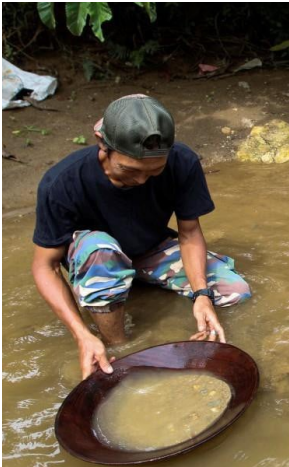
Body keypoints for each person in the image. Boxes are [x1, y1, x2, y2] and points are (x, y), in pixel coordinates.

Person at [31, 94, 251, 380]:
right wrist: (81, 335)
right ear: (102, 145)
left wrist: (202, 295)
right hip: (96, 259)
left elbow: (189, 231)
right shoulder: (61, 183)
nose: (141, 181)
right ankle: (118, 346)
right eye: (129, 170)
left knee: (234, 290)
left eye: (154, 172)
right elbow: (45, 266)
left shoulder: (182, 162)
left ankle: (130, 285)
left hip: (150, 249)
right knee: (100, 249)